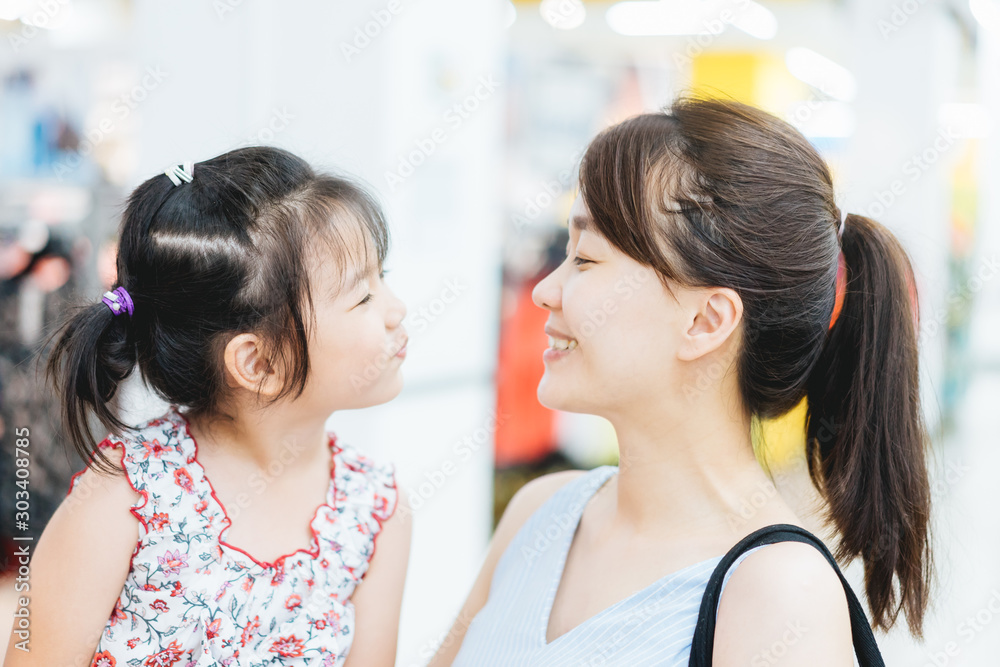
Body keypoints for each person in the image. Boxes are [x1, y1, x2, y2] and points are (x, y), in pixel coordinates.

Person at [431, 96, 931, 666]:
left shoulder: (778, 594)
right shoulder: (540, 513)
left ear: (705, 321)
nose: (545, 290)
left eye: (587, 260)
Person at [6, 147, 412, 667]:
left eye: (385, 277)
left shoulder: (376, 510)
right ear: (259, 363)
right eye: (363, 297)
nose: (396, 310)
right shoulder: (125, 498)